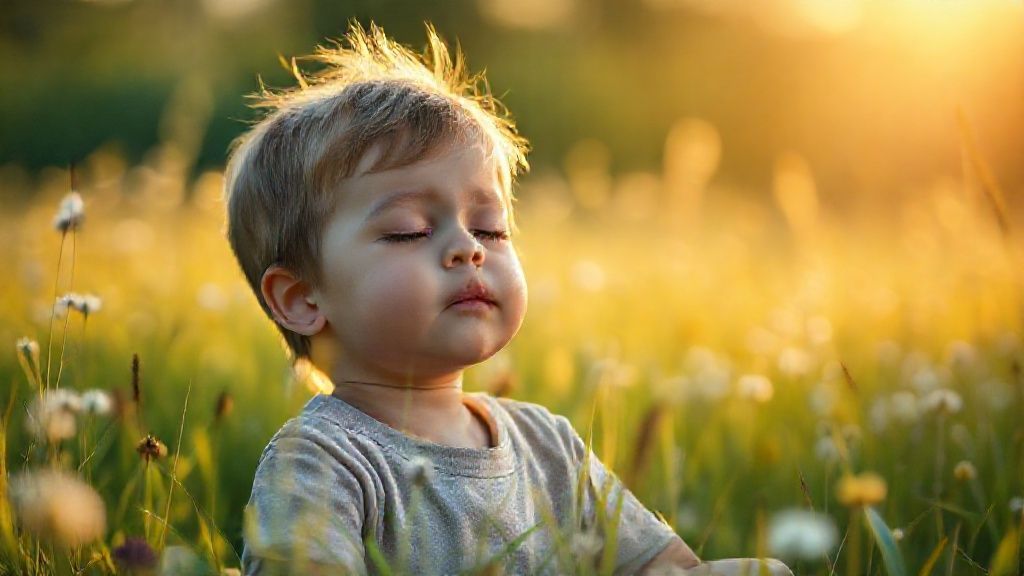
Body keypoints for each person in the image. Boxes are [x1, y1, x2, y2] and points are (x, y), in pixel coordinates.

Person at [224, 21, 792, 576]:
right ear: (300, 298)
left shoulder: (548, 447)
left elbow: (662, 568)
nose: (468, 249)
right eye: (409, 230)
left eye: (491, 228)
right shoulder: (322, 463)